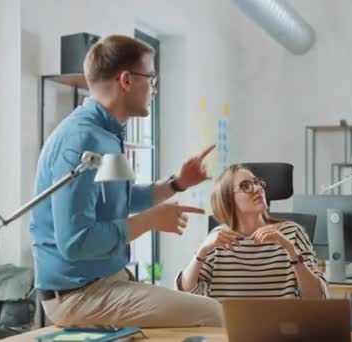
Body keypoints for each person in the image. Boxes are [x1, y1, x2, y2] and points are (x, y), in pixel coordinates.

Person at [29, 35, 224, 328]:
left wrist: (177, 183)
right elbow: (74, 242)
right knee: (215, 314)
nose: (154, 88)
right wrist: (150, 221)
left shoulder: (106, 132)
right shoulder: (81, 139)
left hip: (103, 283)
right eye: (151, 78)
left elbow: (118, 200)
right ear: (126, 81)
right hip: (77, 295)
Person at [175, 165, 326, 300]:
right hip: (227, 330)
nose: (257, 188)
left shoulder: (293, 233)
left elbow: (317, 297)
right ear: (229, 200)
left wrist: (290, 250)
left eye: (257, 182)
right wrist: (202, 250)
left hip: (282, 328)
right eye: (245, 186)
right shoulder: (218, 239)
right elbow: (187, 293)